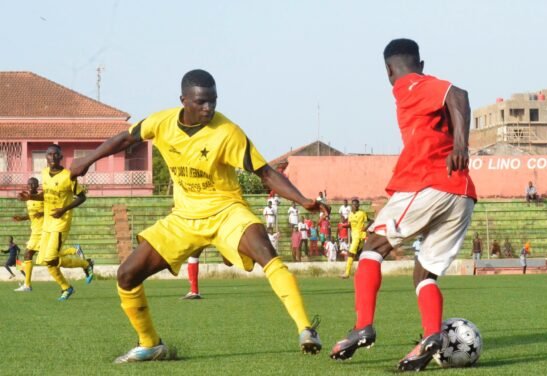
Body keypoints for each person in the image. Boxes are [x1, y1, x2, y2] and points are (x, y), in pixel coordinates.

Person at [70, 70, 327, 362]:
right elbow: (125, 139)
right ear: (184, 101)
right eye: (202, 102)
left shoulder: (228, 132)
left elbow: (265, 173)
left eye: (213, 102)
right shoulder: (162, 122)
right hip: (184, 218)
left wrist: (303, 199)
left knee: (266, 253)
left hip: (226, 211)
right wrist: (87, 160)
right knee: (126, 275)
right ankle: (150, 343)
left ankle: (306, 329)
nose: (209, 109)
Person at [330, 39, 476, 372]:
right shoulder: (421, 84)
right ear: (421, 62)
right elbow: (454, 102)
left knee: (371, 247)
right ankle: (430, 336)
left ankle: (363, 325)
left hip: (427, 183)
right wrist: (458, 147)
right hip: (462, 194)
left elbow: (458, 94)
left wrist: (460, 145)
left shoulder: (408, 85)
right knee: (424, 274)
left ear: (389, 70)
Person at [19, 145, 94, 301]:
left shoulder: (68, 176)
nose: (52, 157)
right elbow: (45, 196)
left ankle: (86, 264)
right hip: (47, 223)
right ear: (45, 157)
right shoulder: (44, 173)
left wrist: (64, 209)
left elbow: (82, 197)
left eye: (55, 155)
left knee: (51, 259)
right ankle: (66, 288)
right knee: (47, 261)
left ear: (61, 157)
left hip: (60, 223)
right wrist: (30, 197)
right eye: (49, 154)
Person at [13, 177, 87, 292]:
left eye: (34, 184)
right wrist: (22, 218)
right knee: (45, 257)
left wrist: (42, 213)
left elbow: (50, 209)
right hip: (35, 231)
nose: (31, 186)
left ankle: (27, 285)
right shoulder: (28, 199)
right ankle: (74, 251)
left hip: (44, 230)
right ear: (27, 185)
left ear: (37, 186)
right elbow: (32, 215)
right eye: (29, 184)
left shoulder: (42, 197)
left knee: (34, 255)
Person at [341, 199, 370, 279]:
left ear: (358, 205)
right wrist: (344, 226)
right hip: (354, 237)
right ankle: (364, 273)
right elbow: (350, 225)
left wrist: (366, 228)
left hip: (360, 236)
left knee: (350, 253)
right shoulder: (350, 215)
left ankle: (347, 273)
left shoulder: (362, 213)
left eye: (357, 204)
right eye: (354, 204)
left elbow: (371, 221)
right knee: (358, 255)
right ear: (352, 205)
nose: (355, 206)